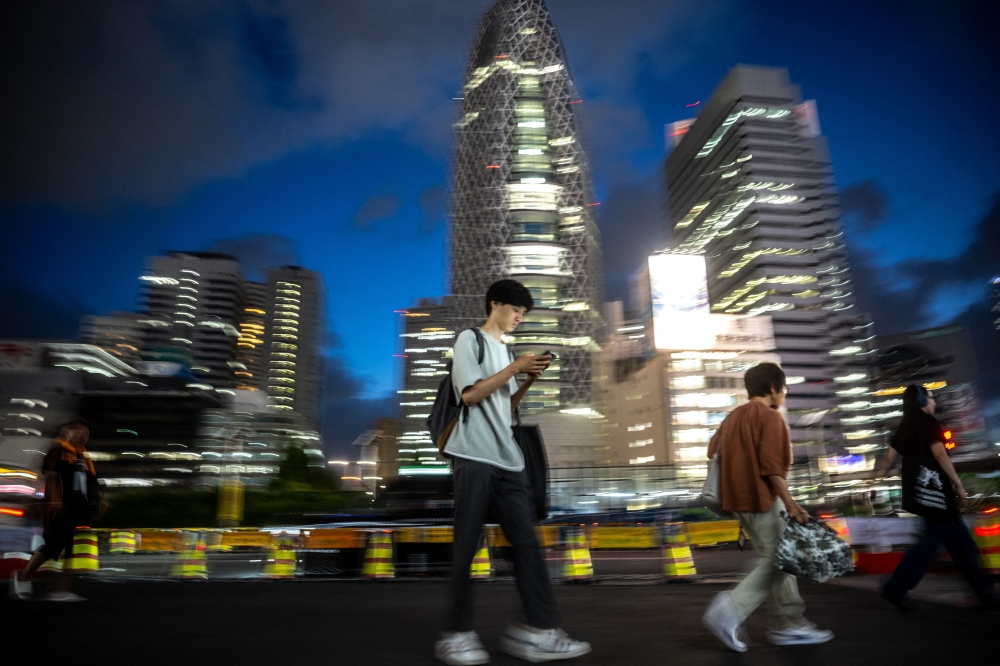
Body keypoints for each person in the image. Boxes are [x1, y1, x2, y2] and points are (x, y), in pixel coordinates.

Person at [434, 279, 591, 665]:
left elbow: (505, 410)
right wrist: (516, 367)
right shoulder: (469, 340)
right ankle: (456, 634)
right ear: (495, 305)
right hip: (473, 457)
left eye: (524, 313)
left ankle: (538, 631)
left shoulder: (508, 352)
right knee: (467, 547)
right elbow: (469, 395)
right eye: (515, 309)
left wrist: (526, 380)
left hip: (510, 461)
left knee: (527, 546)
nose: (520, 317)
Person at [701, 362, 833, 651]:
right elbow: (772, 468)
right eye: (783, 389)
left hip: (737, 502)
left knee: (777, 558)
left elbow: (712, 451)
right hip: (762, 499)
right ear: (772, 388)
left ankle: (791, 623)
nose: (783, 395)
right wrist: (792, 503)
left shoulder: (732, 417)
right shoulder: (770, 417)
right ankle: (731, 609)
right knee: (778, 560)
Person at [877, 385, 996, 610]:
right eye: (931, 397)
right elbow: (940, 454)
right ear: (921, 400)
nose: (934, 402)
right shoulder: (928, 422)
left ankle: (983, 593)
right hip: (939, 496)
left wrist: (876, 477)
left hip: (922, 497)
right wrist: (958, 485)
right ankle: (895, 588)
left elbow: (888, 458)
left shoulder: (903, 427)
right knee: (938, 547)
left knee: (954, 545)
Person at [10, 418, 101, 602]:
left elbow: (90, 481)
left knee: (70, 548)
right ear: (64, 431)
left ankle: (61, 589)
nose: (82, 433)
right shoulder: (57, 450)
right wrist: (54, 502)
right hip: (60, 506)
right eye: (76, 429)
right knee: (53, 546)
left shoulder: (82, 455)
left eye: (85, 430)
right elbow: (51, 477)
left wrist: (99, 499)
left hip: (78, 506)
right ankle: (25, 575)